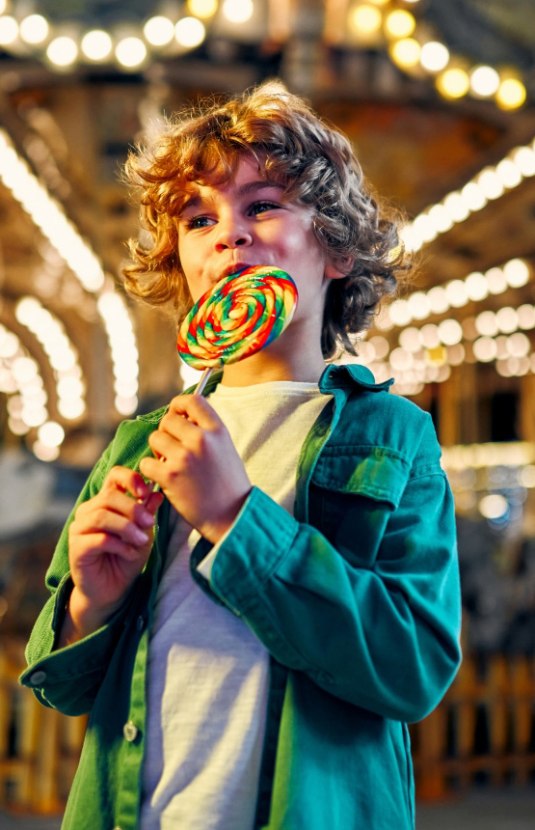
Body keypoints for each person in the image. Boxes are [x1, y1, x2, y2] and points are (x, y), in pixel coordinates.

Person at [21, 81, 462, 829]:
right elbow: (62, 685)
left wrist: (233, 516)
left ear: (337, 251)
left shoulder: (390, 434)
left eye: (261, 205)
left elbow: (412, 667)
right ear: (182, 267)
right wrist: (91, 602)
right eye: (198, 219)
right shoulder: (139, 441)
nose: (228, 233)